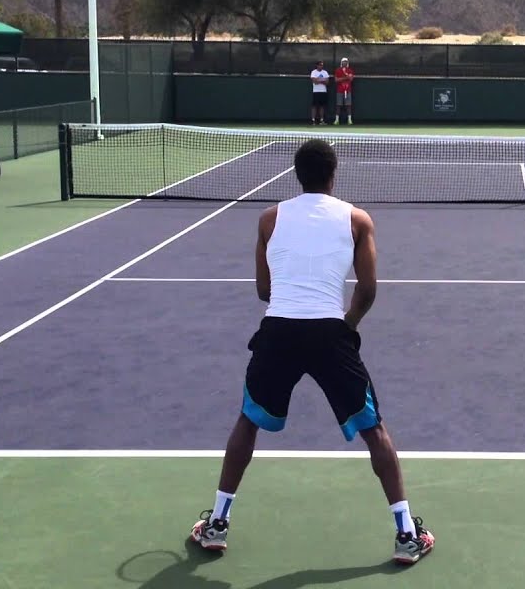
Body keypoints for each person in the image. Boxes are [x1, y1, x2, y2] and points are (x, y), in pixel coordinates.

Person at [187, 139, 436, 566]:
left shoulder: (269, 219)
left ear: (296, 175)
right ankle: (406, 535)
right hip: (330, 336)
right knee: (373, 429)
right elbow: (368, 290)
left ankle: (217, 526)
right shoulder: (357, 220)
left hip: (278, 332)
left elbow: (265, 290)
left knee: (248, 421)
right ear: (333, 174)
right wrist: (346, 325)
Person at [334, 58, 355, 125]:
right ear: (341, 63)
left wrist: (345, 77)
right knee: (338, 105)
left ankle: (349, 120)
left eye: (346, 62)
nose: (344, 63)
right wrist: (346, 78)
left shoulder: (350, 70)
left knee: (348, 105)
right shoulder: (338, 70)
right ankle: (337, 120)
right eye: (343, 62)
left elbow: (351, 79)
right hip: (339, 91)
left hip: (348, 90)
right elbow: (336, 80)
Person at [309, 61, 330, 126]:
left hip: (323, 91)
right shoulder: (313, 72)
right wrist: (322, 80)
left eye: (322, 65)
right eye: (320, 65)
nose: (321, 66)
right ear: (317, 65)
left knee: (322, 106)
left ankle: (321, 120)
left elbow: (327, 82)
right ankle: (313, 120)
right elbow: (314, 81)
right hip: (316, 92)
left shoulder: (325, 72)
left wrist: (318, 80)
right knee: (314, 106)